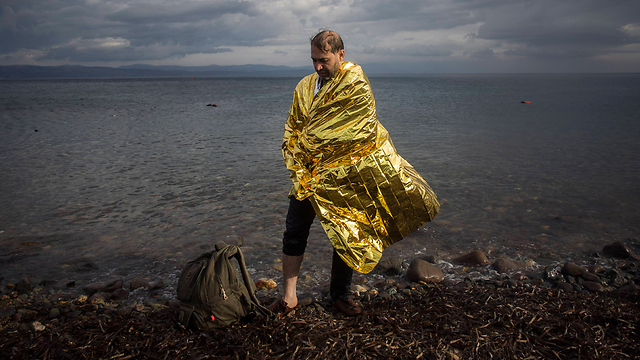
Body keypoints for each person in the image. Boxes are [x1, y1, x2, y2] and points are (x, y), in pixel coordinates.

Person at [271, 30, 439, 317]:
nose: (318, 67)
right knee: (294, 232)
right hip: (308, 175)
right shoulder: (305, 86)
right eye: (313, 60)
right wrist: (300, 156)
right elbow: (294, 127)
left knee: (348, 233)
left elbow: (359, 129)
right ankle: (289, 297)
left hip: (346, 177)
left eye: (323, 60)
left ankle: (340, 295)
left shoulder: (355, 83)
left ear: (341, 54)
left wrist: (314, 143)